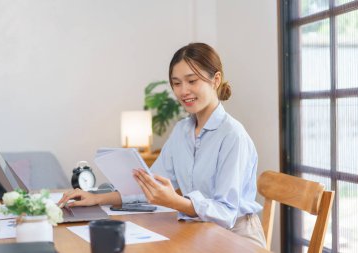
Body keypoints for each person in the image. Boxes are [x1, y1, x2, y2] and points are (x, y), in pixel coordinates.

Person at [58, 42, 266, 248]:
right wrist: (98, 198)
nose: (183, 91)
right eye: (176, 83)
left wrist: (174, 201)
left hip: (236, 238)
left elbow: (225, 213)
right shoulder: (182, 131)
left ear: (216, 80)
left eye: (191, 81)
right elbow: (151, 185)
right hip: (200, 230)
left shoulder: (232, 136)